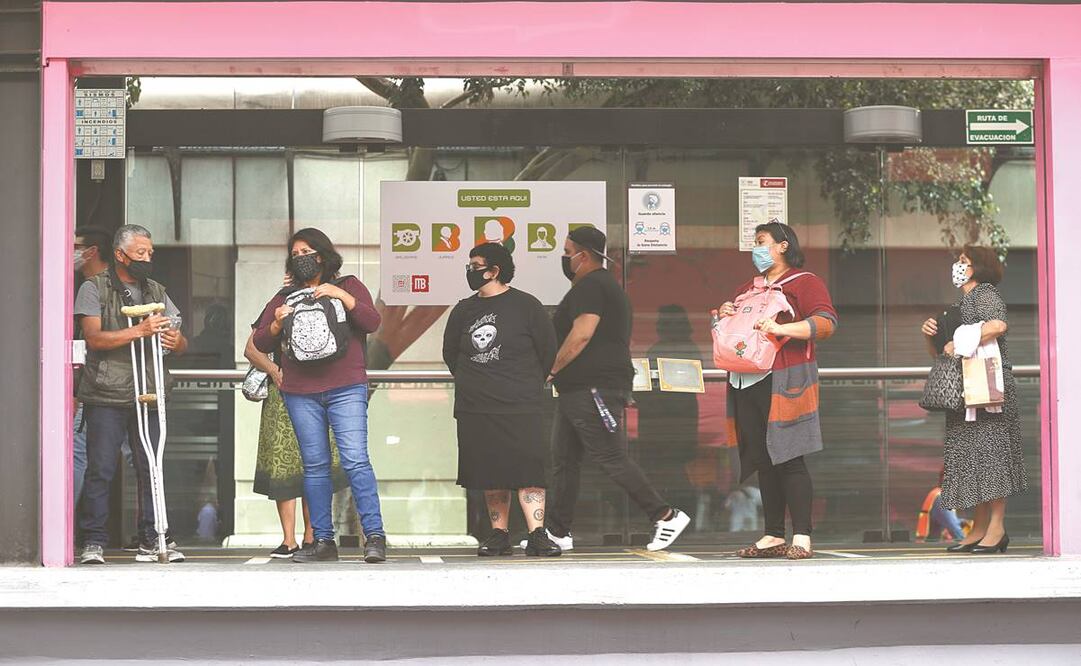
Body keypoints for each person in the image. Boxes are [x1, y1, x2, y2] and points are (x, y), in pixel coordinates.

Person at [545, 226, 690, 552]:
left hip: (592, 388)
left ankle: (665, 515)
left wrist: (552, 367)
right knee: (564, 460)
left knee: (609, 455)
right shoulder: (601, 287)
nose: (565, 258)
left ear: (583, 256)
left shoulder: (592, 286)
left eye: (568, 252)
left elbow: (582, 333)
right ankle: (557, 532)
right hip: (578, 389)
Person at [252, 228, 386, 564]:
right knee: (314, 467)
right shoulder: (283, 297)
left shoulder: (348, 285)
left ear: (322, 256)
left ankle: (375, 537)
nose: (302, 259)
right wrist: (275, 325)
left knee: (356, 460)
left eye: (307, 252)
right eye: (295, 254)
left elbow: (372, 321)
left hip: (346, 387)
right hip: (300, 392)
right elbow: (260, 343)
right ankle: (323, 542)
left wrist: (342, 297)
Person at [718, 222, 837, 561]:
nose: (756, 249)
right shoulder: (750, 288)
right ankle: (772, 534)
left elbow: (827, 323)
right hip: (745, 379)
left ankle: (801, 535)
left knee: (790, 456)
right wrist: (725, 313)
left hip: (784, 379)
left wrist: (783, 328)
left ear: (783, 246)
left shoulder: (805, 282)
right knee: (764, 459)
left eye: (762, 242)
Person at [76, 224, 188, 564]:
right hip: (106, 392)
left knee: (151, 466)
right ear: (120, 254)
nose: (147, 258)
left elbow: (179, 339)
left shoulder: (155, 289)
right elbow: (94, 339)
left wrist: (175, 341)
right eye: (140, 253)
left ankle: (154, 537)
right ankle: (93, 540)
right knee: (101, 467)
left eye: (150, 253)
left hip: (149, 390)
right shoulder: (93, 288)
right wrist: (139, 330)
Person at [442, 242, 561, 557]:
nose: (471, 270)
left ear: (495, 270)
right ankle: (498, 533)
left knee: (529, 471)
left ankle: (538, 534)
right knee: (490, 472)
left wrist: (524, 384)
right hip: (476, 407)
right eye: (470, 264)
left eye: (477, 264)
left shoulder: (526, 306)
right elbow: (450, 354)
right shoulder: (464, 309)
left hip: (522, 404)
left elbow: (549, 352)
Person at [920, 246, 1026, 554]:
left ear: (979, 267)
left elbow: (997, 325)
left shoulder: (985, 293)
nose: (958, 266)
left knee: (990, 455)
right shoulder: (963, 301)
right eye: (958, 261)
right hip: (967, 390)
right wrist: (931, 334)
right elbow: (943, 352)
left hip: (987, 389)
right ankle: (979, 528)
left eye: (964, 262)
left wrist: (959, 339)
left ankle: (997, 527)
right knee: (972, 459)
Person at [244, 322, 349, 559]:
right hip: (283, 392)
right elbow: (251, 348)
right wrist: (273, 370)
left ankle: (312, 536)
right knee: (283, 463)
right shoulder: (279, 304)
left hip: (317, 391)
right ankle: (289, 539)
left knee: (314, 462)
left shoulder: (326, 302)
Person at [73, 226, 113, 508]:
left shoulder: (97, 288)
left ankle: (66, 526)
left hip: (98, 389)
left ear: (92, 251)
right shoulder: (85, 286)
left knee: (79, 455)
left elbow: (93, 340)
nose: (72, 253)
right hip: (97, 388)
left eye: (76, 246)